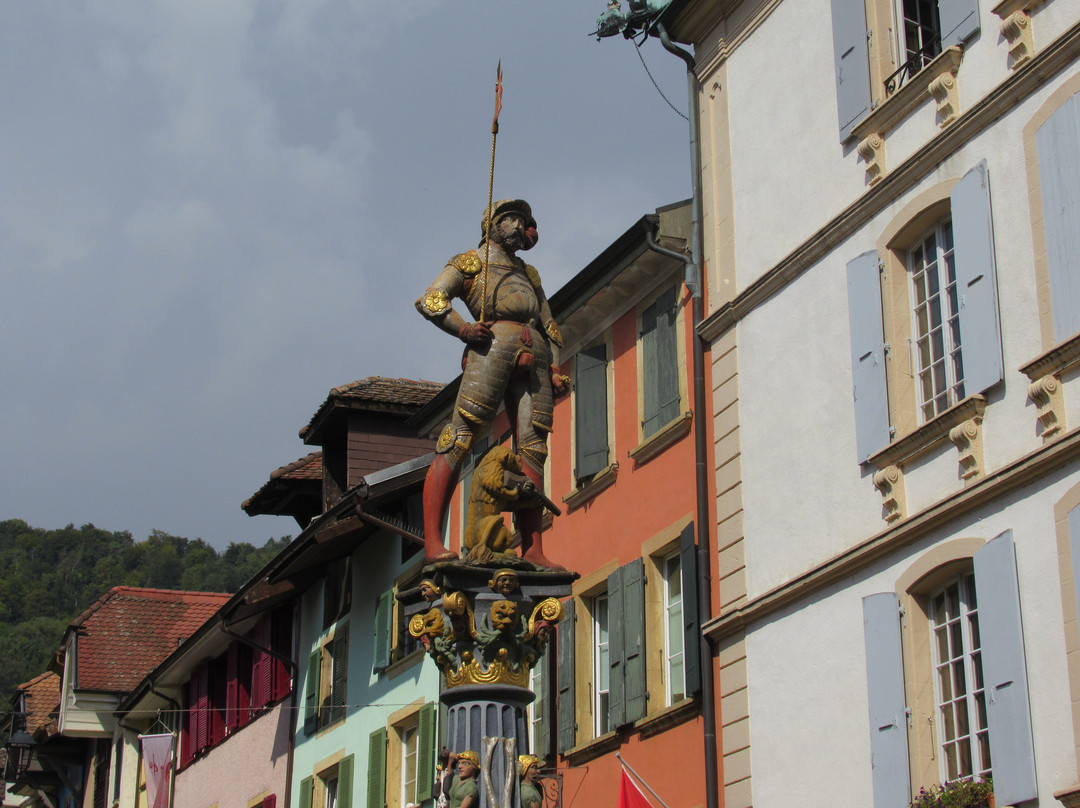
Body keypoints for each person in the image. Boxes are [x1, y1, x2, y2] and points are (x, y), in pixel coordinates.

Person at [417, 199, 569, 568]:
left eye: (525, 220)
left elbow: (548, 323)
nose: (522, 226)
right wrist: (464, 329)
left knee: (533, 447)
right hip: (493, 346)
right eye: (514, 219)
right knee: (459, 436)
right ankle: (434, 542)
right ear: (495, 223)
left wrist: (555, 368)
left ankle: (533, 548)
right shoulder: (471, 262)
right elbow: (432, 299)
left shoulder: (529, 274)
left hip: (534, 352)